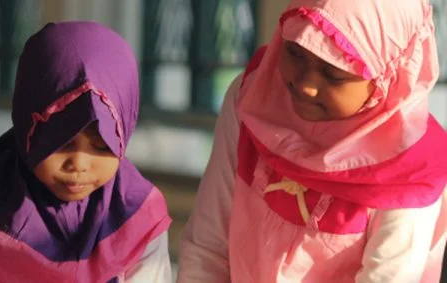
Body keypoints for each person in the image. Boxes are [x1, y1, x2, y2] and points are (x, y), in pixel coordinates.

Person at [177, 0, 447, 282]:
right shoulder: (254, 99)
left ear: (387, 76)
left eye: (333, 74)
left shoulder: (409, 170)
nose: (306, 84)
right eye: (294, 51)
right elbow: (207, 248)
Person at [0, 22, 172, 282]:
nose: (78, 163)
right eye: (59, 142)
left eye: (101, 145)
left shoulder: (139, 218)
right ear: (27, 127)